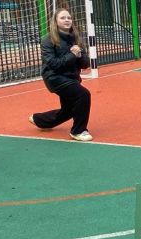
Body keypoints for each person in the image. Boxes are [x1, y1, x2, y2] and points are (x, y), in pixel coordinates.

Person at [29, 8, 93, 141]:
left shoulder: (76, 38)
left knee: (69, 110)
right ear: (56, 21)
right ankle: (78, 131)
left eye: (69, 18)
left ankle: (40, 120)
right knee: (83, 95)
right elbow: (54, 64)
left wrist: (80, 55)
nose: (67, 20)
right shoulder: (48, 40)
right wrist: (72, 55)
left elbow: (85, 64)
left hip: (72, 78)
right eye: (63, 18)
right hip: (54, 78)